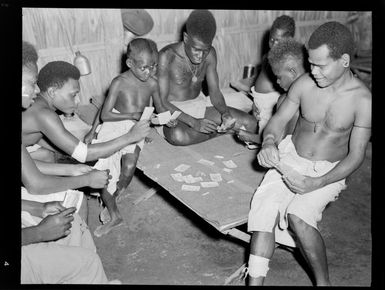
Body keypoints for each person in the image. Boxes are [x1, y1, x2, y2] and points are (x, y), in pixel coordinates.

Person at [245, 21, 371, 286]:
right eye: (310, 63)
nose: (313, 71)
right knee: (264, 209)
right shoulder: (304, 83)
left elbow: (356, 156)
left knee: (298, 217)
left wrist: (317, 182)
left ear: (344, 60)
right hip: (291, 156)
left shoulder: (363, 101)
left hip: (328, 170)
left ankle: (323, 283)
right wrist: (268, 142)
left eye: (321, 65)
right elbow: (278, 122)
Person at [21, 41, 119, 284]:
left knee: (74, 220)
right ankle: (83, 268)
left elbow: (31, 167)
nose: (35, 91)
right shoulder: (42, 113)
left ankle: (84, 272)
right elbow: (36, 183)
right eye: (31, 83)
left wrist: (37, 208)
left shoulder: (40, 111)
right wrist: (37, 233)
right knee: (86, 260)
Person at [22, 60, 151, 231]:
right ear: (52, 92)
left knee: (50, 155)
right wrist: (129, 137)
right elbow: (84, 154)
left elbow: (36, 137)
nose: (78, 100)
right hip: (30, 164)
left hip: (27, 153)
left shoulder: (39, 104)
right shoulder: (44, 114)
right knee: (77, 197)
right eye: (73, 95)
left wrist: (71, 162)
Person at [86, 38, 170, 237]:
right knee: (105, 172)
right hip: (114, 125)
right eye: (144, 67)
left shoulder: (152, 83)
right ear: (130, 63)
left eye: (154, 66)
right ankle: (115, 215)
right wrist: (92, 131)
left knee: (128, 170)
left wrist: (168, 119)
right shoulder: (119, 82)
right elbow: (105, 114)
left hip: (137, 127)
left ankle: (113, 195)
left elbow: (160, 107)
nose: (149, 72)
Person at [157, 9, 259, 146]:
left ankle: (215, 130)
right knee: (178, 136)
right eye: (196, 50)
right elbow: (161, 102)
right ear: (186, 38)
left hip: (200, 105)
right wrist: (194, 122)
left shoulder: (210, 54)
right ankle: (222, 132)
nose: (201, 56)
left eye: (205, 50)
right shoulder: (166, 56)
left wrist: (225, 113)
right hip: (174, 111)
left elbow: (215, 92)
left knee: (250, 123)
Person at [232, 15, 296, 135]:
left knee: (260, 136)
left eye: (279, 41)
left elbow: (291, 97)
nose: (274, 45)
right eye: (272, 40)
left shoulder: (289, 64)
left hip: (273, 113)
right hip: (259, 108)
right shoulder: (267, 57)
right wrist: (255, 105)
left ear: (289, 41)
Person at [237, 38, 305, 145]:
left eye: (279, 77)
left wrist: (252, 137)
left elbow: (283, 143)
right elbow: (279, 140)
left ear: (292, 72)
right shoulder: (285, 99)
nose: (277, 82)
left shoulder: (309, 100)